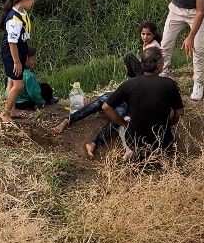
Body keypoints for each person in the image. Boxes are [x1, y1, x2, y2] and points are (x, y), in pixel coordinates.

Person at [54, 23, 161, 156]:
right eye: (143, 34)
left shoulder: (154, 72)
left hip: (132, 101)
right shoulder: (141, 81)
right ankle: (72, 124)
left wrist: (123, 121)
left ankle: (90, 140)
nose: (145, 37)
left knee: (113, 111)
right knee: (107, 104)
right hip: (130, 96)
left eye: (148, 34)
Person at [103, 48, 184, 161]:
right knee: (171, 111)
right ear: (160, 63)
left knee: (127, 119)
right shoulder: (170, 84)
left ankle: (130, 151)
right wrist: (169, 124)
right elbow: (179, 112)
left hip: (135, 142)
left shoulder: (129, 84)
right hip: (162, 141)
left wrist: (123, 123)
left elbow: (106, 107)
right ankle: (164, 154)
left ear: (142, 65)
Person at [0, 0, 37, 125]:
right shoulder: (14, 20)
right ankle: (5, 113)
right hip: (11, 54)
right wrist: (17, 62)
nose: (33, 2)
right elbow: (12, 43)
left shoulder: (22, 13)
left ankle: (11, 109)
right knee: (19, 85)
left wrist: (25, 56)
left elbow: (21, 41)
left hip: (18, 51)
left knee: (11, 80)